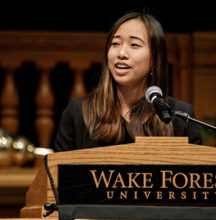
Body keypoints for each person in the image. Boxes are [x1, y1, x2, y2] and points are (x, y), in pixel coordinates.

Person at [54, 12, 202, 152]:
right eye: (115, 43)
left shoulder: (180, 116)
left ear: (155, 59)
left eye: (134, 45)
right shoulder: (78, 112)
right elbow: (55, 175)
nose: (121, 53)